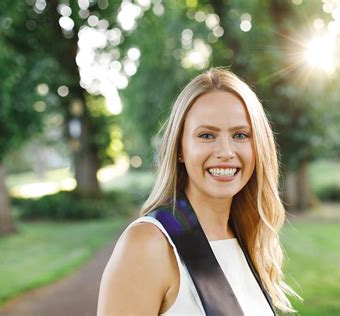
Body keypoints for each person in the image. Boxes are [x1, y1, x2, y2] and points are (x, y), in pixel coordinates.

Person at [97, 68, 301, 315]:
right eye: (206, 135)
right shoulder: (149, 244)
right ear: (180, 148)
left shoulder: (246, 237)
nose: (225, 151)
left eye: (240, 135)